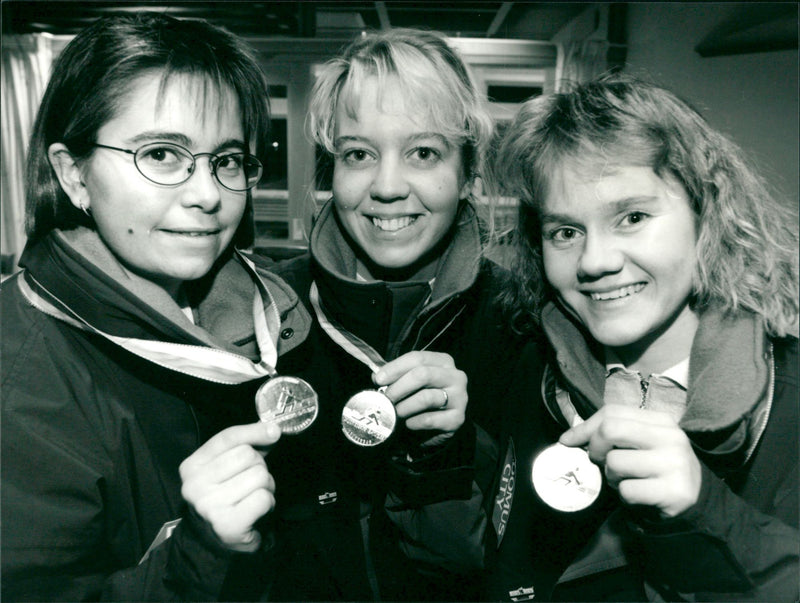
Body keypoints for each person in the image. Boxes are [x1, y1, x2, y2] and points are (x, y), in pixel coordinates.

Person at [1, 13, 312, 601]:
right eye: (163, 154)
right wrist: (199, 554)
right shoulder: (17, 384)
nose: (209, 194)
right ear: (74, 176)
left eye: (227, 160)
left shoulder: (268, 312)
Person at [488, 74, 799, 601]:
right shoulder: (533, 365)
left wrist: (707, 512)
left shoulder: (787, 400)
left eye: (631, 217)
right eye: (565, 231)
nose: (595, 262)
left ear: (708, 214)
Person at [266, 28, 538, 601]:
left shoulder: (522, 324)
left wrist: (447, 454)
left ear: (468, 175)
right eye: (359, 154)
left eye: (423, 152)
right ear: (330, 174)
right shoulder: (268, 310)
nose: (387, 187)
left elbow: (504, 566)